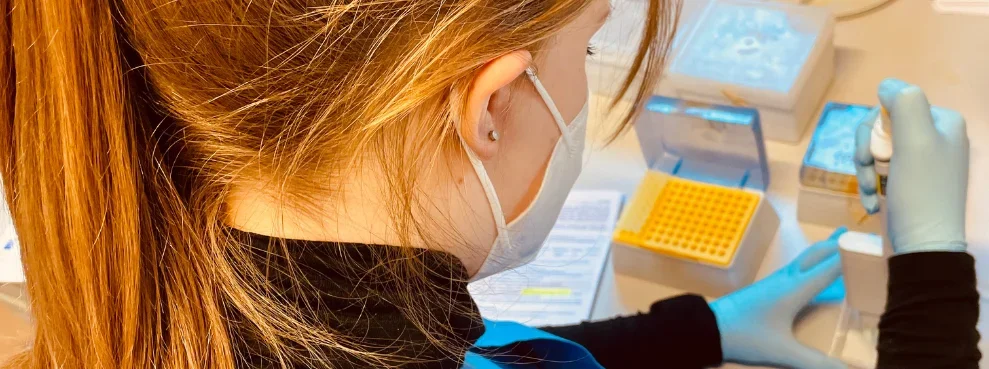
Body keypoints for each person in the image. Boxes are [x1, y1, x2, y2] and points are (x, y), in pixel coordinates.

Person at [0, 0, 976, 368]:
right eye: (585, 49)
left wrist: (697, 331)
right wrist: (930, 269)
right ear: (492, 104)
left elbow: (484, 354)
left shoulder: (183, 273)